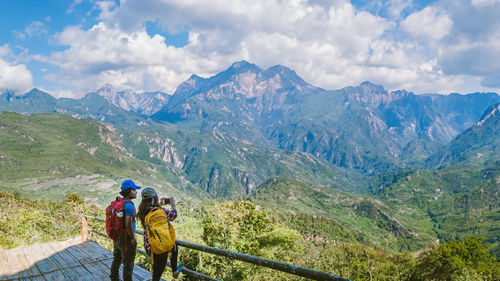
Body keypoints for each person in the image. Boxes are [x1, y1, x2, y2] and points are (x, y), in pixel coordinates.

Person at [137, 187, 184, 280]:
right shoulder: (161, 211)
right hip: (159, 247)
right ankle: (174, 271)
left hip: (149, 246)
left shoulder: (142, 211)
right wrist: (173, 205)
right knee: (156, 276)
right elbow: (173, 215)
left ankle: (174, 271)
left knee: (173, 247)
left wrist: (159, 205)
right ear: (155, 198)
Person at [110, 179, 141, 281]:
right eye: (134, 189)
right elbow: (128, 225)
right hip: (126, 239)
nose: (136, 192)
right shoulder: (129, 205)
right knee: (128, 264)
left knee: (117, 259)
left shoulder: (119, 202)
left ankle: (114, 279)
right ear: (129, 191)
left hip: (117, 236)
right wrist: (132, 238)